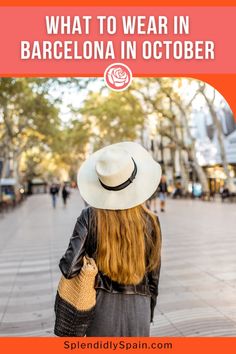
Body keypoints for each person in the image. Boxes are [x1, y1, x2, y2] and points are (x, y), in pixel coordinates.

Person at [59, 142, 162, 337]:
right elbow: (154, 276)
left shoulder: (89, 216)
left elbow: (69, 267)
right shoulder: (152, 220)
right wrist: (149, 310)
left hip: (101, 308)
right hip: (139, 307)